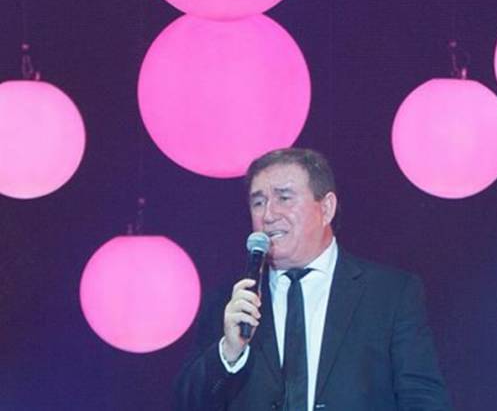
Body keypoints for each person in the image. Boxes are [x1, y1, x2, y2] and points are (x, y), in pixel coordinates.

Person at [175, 148, 452, 411]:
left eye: (284, 198)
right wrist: (229, 352)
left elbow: (423, 400)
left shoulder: (389, 294)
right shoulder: (232, 301)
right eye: (258, 202)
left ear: (327, 208)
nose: (268, 215)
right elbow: (187, 403)